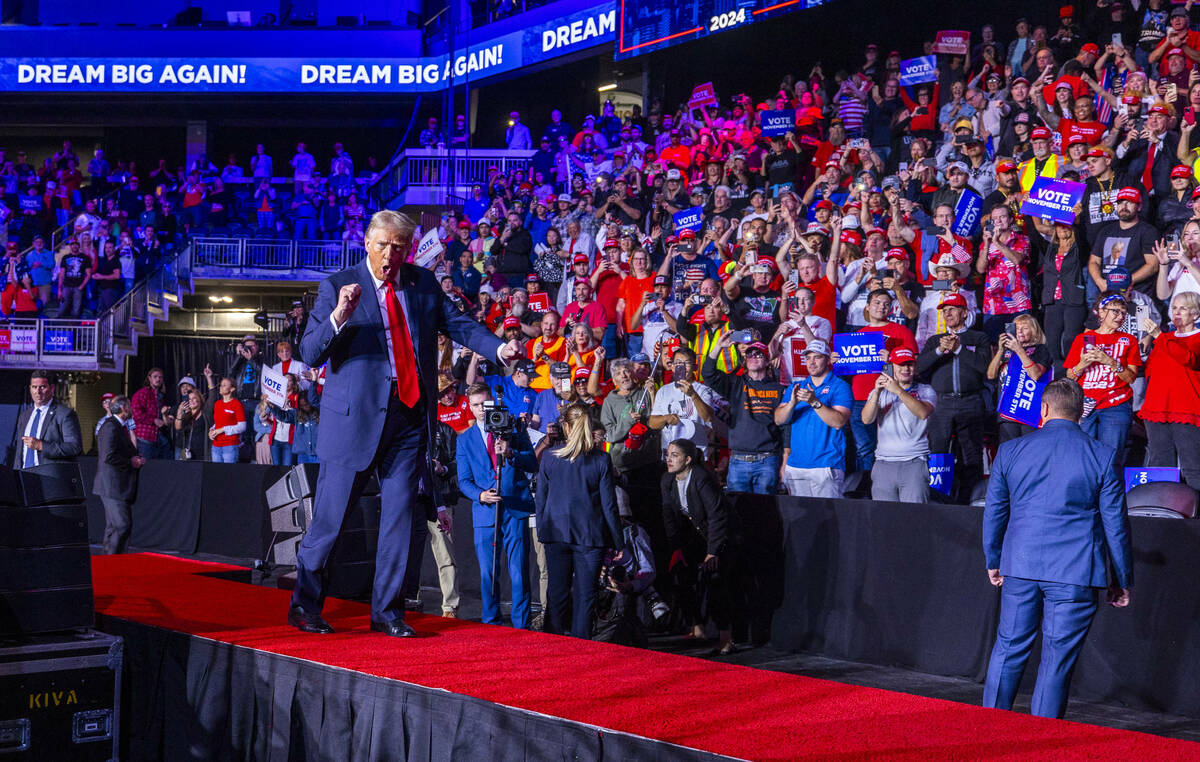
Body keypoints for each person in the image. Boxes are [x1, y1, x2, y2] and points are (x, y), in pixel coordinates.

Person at [288, 210, 519, 637]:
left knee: (399, 519)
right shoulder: (336, 286)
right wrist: (340, 315)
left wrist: (498, 350)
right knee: (330, 521)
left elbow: (461, 325)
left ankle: (389, 612)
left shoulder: (422, 283)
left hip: (409, 418)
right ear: (367, 241)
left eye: (399, 247)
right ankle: (304, 605)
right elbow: (309, 352)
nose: (391, 254)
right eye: (383, 245)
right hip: (353, 424)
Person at [982, 379, 1133, 720]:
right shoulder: (1103, 455)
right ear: (1081, 413)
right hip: (1076, 572)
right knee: (1056, 659)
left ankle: (987, 729)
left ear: (1044, 409)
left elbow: (994, 512)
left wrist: (994, 559)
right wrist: (1121, 577)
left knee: (1008, 648)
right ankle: (1042, 740)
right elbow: (1116, 524)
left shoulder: (1010, 451)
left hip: (1020, 564)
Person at [535, 402, 623, 638]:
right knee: (585, 597)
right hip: (589, 536)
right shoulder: (601, 459)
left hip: (556, 534)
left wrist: (543, 531)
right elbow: (609, 506)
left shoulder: (550, 458)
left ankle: (551, 646)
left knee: (556, 595)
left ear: (566, 426)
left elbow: (540, 500)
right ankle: (581, 651)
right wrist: (618, 541)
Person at [456, 382, 537, 630]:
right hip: (485, 513)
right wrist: (480, 496)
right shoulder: (465, 439)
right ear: (470, 408)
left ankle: (521, 625)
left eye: (485, 403)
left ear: (494, 402)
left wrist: (511, 453)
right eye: (477, 405)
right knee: (488, 573)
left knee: (519, 572)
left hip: (515, 508)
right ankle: (491, 624)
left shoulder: (514, 428)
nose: (482, 409)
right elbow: (464, 481)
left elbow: (532, 463)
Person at [661, 438, 738, 655]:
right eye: (668, 454)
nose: (668, 459)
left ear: (688, 459)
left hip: (720, 537)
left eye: (674, 455)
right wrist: (676, 547)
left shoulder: (702, 478)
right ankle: (697, 629)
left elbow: (717, 516)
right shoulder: (666, 480)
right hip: (692, 537)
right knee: (681, 576)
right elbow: (669, 515)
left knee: (715, 581)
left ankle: (726, 638)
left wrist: (713, 551)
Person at [916, 293, 992, 502]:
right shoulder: (934, 341)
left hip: (971, 401)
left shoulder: (979, 338)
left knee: (971, 454)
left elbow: (985, 369)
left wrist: (959, 349)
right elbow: (919, 367)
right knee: (939, 454)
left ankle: (970, 501)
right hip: (943, 403)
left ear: (965, 312)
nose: (947, 313)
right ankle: (940, 500)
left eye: (952, 309)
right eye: (944, 310)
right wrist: (940, 350)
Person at [1064, 294, 1142, 472]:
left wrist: (1110, 361)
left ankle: (1109, 497)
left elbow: (1131, 378)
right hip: (1086, 404)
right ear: (1101, 312)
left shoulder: (1128, 340)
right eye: (1115, 311)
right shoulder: (1083, 339)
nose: (1120, 316)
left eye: (1123, 313)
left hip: (1116, 404)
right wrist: (1083, 363)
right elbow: (1070, 377)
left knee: (1112, 458)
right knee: (1082, 456)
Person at [702, 337, 786, 494]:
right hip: (738, 460)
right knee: (739, 512)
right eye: (750, 354)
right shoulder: (736, 383)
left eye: (759, 354)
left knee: (766, 512)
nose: (753, 357)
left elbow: (785, 428)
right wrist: (718, 346)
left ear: (768, 361)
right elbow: (708, 373)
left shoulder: (779, 389)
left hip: (767, 461)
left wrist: (784, 461)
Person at [773, 340, 853, 497]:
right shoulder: (796, 387)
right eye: (808, 358)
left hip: (826, 465)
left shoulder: (840, 386)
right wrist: (791, 404)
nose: (811, 362)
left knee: (830, 520)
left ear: (828, 360)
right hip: (796, 465)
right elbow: (778, 420)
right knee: (799, 520)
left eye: (817, 357)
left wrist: (814, 402)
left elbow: (838, 422)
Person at [1139, 291, 1200, 488]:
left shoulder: (1196, 338)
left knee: (1192, 466)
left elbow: (1188, 359)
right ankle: (1161, 512)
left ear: (1196, 314)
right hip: (1157, 408)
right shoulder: (1164, 338)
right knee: (1160, 464)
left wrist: (1158, 336)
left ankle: (1195, 515)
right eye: (1174, 308)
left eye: (1183, 308)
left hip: (1186, 408)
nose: (1177, 312)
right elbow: (1151, 370)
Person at [860, 347, 936, 503]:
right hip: (883, 463)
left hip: (914, 462)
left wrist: (898, 391)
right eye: (900, 364)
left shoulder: (925, 390)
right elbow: (866, 419)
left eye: (910, 364)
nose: (906, 369)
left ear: (915, 367)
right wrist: (876, 392)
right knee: (884, 519)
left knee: (914, 518)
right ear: (891, 366)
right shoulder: (880, 392)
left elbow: (923, 413)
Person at [986, 315, 1052, 442]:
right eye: (1017, 328)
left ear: (1034, 331)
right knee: (1009, 452)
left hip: (1028, 410)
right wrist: (1000, 350)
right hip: (1007, 411)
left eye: (1025, 328)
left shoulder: (1040, 349)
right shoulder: (1007, 352)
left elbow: (1035, 375)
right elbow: (990, 375)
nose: (1020, 331)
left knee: (1029, 453)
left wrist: (1019, 349)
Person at [93, 395, 145, 555]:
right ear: (124, 408)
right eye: (130, 406)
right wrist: (131, 462)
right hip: (112, 485)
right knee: (122, 525)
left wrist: (135, 457)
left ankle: (108, 563)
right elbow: (108, 456)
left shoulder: (117, 427)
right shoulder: (111, 427)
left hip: (115, 486)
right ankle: (114, 562)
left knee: (113, 526)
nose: (132, 409)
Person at [13, 369, 82, 469]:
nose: (38, 391)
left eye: (42, 387)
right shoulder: (25, 415)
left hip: (49, 478)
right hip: (25, 475)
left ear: (52, 388)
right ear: (30, 389)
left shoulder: (64, 414)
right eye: (34, 387)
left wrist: (42, 446)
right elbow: (20, 451)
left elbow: (74, 447)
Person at [208, 376, 247, 463]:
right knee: (217, 473)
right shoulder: (217, 404)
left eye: (224, 385)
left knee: (228, 474)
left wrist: (223, 429)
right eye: (221, 385)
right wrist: (212, 430)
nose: (221, 387)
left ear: (232, 389)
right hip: (216, 445)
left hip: (230, 446)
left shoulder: (236, 404)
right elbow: (218, 423)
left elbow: (242, 426)